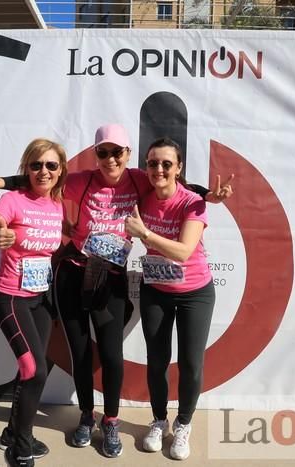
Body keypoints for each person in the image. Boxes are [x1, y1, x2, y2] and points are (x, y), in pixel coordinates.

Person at [0, 124, 233, 458]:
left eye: (116, 152)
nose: (110, 159)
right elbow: (41, 180)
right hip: (74, 273)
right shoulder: (81, 180)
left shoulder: (140, 178)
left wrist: (208, 196)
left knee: (111, 353)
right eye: (102, 152)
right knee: (80, 351)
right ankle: (86, 416)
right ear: (96, 155)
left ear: (128, 155)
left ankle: (112, 420)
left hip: (113, 277)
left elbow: (175, 183)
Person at [0, 138, 67, 467]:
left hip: (40, 300)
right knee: (33, 370)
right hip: (11, 298)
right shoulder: (11, 201)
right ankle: (20, 447)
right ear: (26, 169)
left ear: (60, 171)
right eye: (36, 165)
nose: (43, 171)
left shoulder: (57, 204)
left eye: (51, 165)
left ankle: (13, 431)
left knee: (35, 370)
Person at [123, 137, 215, 460]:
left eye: (166, 164)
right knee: (157, 360)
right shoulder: (142, 200)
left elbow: (184, 251)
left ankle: (184, 424)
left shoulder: (192, 202)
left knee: (190, 363)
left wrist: (145, 234)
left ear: (179, 168)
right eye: (152, 163)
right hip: (156, 290)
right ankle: (159, 420)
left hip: (195, 293)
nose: (158, 169)